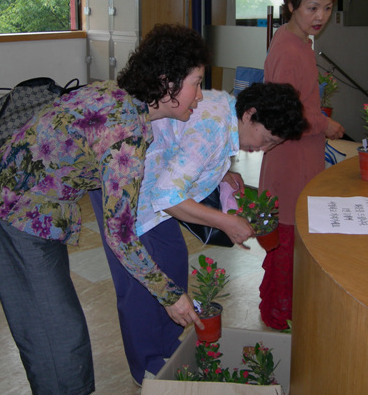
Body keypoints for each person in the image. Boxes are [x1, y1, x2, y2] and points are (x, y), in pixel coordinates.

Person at [0, 23, 211, 395]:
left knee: (61, 334)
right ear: (167, 83)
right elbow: (120, 236)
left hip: (29, 212)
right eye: (196, 83)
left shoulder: (116, 94)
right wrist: (171, 295)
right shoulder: (126, 134)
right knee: (60, 344)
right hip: (16, 217)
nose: (199, 96)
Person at [89, 82, 307, 385]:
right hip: (125, 185)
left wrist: (220, 171)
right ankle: (148, 368)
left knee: (173, 262)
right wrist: (225, 221)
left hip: (155, 181)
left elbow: (187, 152)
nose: (264, 149)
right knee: (141, 284)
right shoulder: (213, 129)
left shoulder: (227, 108)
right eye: (266, 138)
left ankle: (167, 347)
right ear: (250, 114)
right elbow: (169, 196)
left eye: (273, 144)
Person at [259, 0, 345, 330]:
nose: (320, 16)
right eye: (311, 7)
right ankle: (277, 319)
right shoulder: (290, 50)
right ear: (292, 4)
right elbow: (283, 115)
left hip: (302, 158)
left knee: (293, 241)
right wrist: (327, 124)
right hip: (290, 162)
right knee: (287, 243)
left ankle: (284, 312)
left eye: (326, 8)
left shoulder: (294, 41)